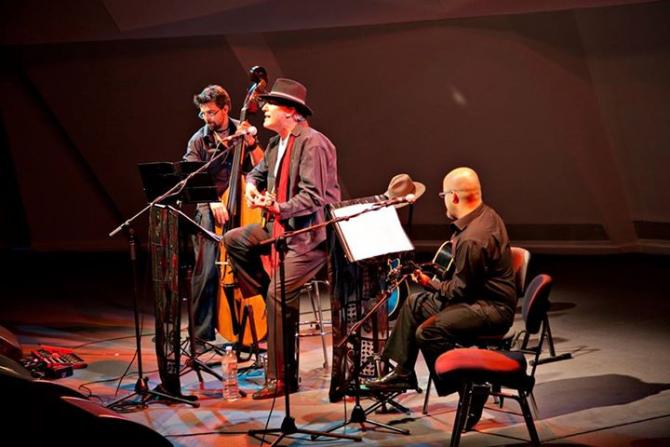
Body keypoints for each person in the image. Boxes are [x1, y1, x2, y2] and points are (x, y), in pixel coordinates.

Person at [365, 167, 517, 428]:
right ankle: (403, 372)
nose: (443, 200)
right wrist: (433, 285)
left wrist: (431, 283)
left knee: (428, 333)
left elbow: (459, 291)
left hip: (491, 309)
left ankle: (471, 389)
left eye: (443, 195)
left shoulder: (474, 237)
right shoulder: (483, 215)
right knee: (414, 303)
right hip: (477, 297)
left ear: (454, 197)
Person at [223, 78, 340, 400]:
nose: (264, 108)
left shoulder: (313, 143)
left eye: (270, 104)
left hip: (310, 236)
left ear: (289, 110)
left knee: (279, 294)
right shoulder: (277, 143)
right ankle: (273, 297)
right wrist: (251, 187)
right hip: (282, 229)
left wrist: (277, 207)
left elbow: (314, 197)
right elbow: (256, 173)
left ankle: (281, 379)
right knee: (235, 239)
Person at [183, 85, 262, 353]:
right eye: (203, 113)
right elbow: (192, 177)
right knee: (206, 268)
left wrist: (252, 144)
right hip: (212, 203)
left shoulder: (243, 129)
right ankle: (201, 336)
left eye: (211, 112)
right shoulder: (198, 140)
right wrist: (213, 200)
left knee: (249, 262)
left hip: (243, 202)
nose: (207, 118)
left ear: (226, 109)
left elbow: (262, 166)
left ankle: (252, 330)